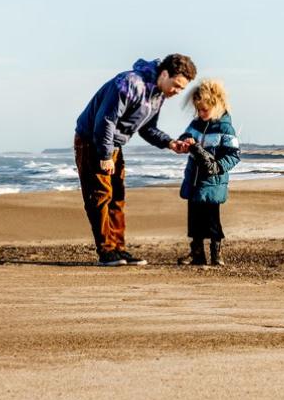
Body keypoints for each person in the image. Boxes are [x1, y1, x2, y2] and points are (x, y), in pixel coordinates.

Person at [74, 55, 197, 267]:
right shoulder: (129, 83)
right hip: (92, 141)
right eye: (176, 86)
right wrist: (104, 156)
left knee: (117, 197)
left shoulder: (157, 96)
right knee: (101, 196)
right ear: (165, 74)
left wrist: (170, 143)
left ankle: (118, 249)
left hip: (114, 145)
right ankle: (106, 252)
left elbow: (147, 129)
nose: (176, 92)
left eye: (181, 89)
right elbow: (106, 120)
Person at [174, 79, 241, 267]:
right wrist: (183, 142)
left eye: (204, 110)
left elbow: (234, 155)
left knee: (212, 220)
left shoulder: (224, 128)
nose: (200, 113)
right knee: (194, 219)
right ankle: (197, 253)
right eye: (198, 110)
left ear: (216, 105)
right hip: (193, 180)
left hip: (213, 182)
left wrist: (218, 167)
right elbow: (185, 136)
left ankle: (216, 253)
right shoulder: (196, 124)